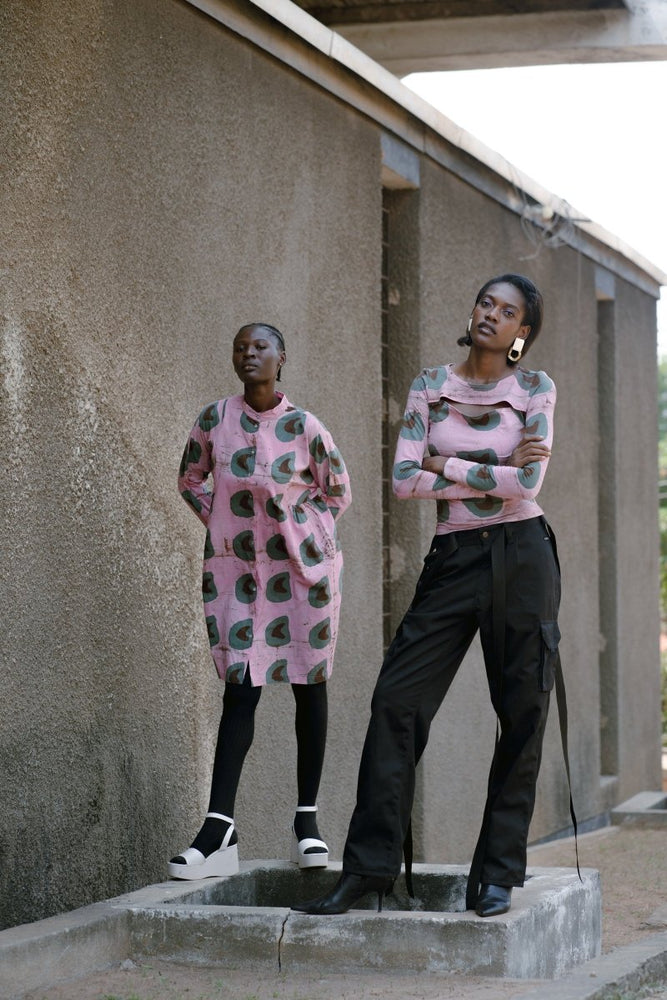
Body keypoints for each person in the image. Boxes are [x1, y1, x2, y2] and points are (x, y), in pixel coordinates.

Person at [293, 273, 562, 918]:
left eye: (508, 312)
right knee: (397, 702)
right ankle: (369, 870)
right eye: (485, 303)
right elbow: (402, 481)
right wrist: (481, 474)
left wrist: (444, 463)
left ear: (522, 333)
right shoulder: (428, 385)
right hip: (454, 558)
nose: (491, 315)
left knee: (522, 711)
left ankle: (497, 875)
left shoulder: (535, 389)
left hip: (523, 556)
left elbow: (526, 485)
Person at [169, 322, 350, 879]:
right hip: (238, 579)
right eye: (241, 348)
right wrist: (227, 529)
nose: (250, 355)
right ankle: (219, 828)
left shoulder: (303, 425)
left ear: (281, 358)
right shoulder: (214, 419)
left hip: (302, 576)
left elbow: (337, 489)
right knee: (239, 691)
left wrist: (302, 535)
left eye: (261, 347)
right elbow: (190, 478)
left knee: (307, 685)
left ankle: (307, 824)